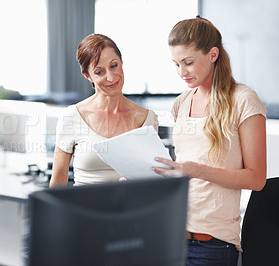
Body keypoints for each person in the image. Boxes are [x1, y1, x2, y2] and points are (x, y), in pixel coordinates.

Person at [152, 16, 267, 265]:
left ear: (213, 54)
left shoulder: (243, 100)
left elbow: (256, 179)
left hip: (213, 243)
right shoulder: (181, 103)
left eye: (189, 63)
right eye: (176, 64)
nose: (182, 72)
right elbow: (181, 169)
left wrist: (197, 171)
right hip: (172, 235)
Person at [49, 33, 159, 188]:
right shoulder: (71, 117)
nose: (110, 77)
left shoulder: (147, 119)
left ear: (121, 63)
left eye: (114, 66)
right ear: (88, 76)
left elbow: (152, 178)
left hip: (131, 210)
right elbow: (58, 182)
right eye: (99, 72)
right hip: (85, 210)